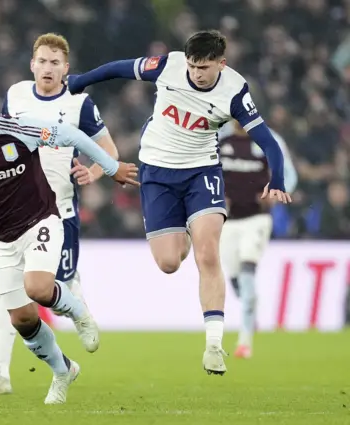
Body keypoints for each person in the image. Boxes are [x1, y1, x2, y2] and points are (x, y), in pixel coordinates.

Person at [67, 30, 292, 375]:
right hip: (157, 170)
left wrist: (276, 180)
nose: (197, 73)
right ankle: (184, 230)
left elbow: (268, 142)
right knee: (169, 262)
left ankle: (214, 345)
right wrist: (81, 81)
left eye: (204, 67)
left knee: (207, 253)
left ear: (221, 63)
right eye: (192, 65)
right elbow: (119, 68)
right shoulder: (169, 66)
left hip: (202, 171)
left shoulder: (234, 90)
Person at [0, 82, 137, 404]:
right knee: (22, 320)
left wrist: (112, 168)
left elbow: (72, 136)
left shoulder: (21, 130)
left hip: (41, 221)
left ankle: (78, 312)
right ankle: (63, 370)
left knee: (39, 289)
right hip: (1, 240)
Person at [0, 33, 119, 396]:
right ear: (32, 65)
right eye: (42, 61)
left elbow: (109, 149)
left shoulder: (80, 103)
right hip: (17, 212)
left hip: (60, 212)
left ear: (66, 69)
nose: (48, 68)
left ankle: (78, 310)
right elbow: (4, 142)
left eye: (55, 63)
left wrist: (93, 171)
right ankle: (2, 375)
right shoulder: (16, 95)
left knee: (52, 290)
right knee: (8, 296)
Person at [218, 120, 297, 358]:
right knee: (234, 280)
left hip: (257, 219)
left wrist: (276, 192)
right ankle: (251, 307)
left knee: (247, 271)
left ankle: (244, 342)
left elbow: (289, 173)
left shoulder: (268, 139)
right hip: (226, 222)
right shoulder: (218, 136)